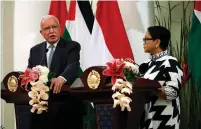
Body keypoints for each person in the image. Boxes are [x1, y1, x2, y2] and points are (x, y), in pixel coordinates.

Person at [28, 15, 84, 129]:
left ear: (60, 28)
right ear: (41, 32)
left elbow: (73, 66)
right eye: (47, 28)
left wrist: (62, 78)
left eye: (54, 27)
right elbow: (30, 72)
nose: (51, 31)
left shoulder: (72, 46)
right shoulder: (35, 50)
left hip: (66, 106)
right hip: (42, 109)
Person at [135, 26, 183, 129]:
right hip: (146, 120)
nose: (143, 42)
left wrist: (149, 88)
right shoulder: (146, 64)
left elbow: (173, 92)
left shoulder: (170, 62)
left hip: (165, 122)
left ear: (157, 42)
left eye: (146, 39)